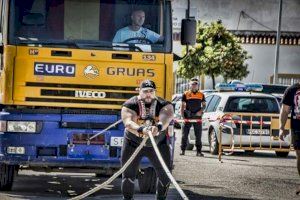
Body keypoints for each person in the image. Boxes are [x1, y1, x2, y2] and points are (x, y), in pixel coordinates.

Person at [121, 79, 174, 200]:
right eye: (145, 91)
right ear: (139, 91)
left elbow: (167, 116)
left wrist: (159, 127)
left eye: (151, 91)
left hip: (158, 143)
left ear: (155, 92)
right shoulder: (130, 104)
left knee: (165, 175)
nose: (148, 94)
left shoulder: (164, 104)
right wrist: (141, 129)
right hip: (133, 143)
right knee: (128, 175)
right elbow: (128, 122)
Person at [279, 82, 300, 195]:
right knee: (299, 156)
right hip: (297, 128)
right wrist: (281, 127)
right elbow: (285, 110)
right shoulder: (292, 90)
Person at [180, 78, 206, 157]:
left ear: (198, 86)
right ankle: (182, 150)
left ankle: (198, 151)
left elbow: (204, 105)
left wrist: (200, 111)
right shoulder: (186, 94)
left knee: (198, 135)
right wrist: (183, 117)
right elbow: (182, 106)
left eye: (196, 84)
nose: (194, 86)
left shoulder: (201, 95)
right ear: (190, 85)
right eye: (192, 84)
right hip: (188, 116)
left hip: (197, 117)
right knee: (185, 135)